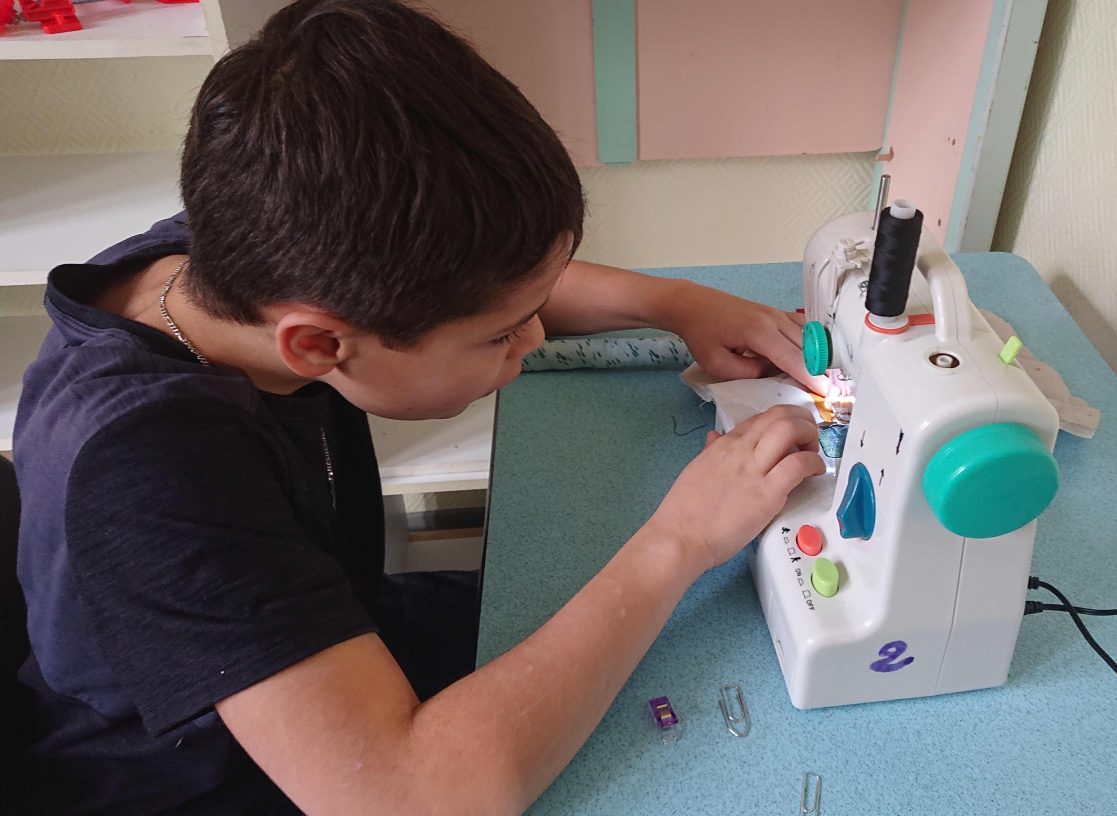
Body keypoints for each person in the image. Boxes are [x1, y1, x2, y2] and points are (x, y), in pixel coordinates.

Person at [11, 1, 825, 813]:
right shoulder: (152, 475)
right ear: (318, 345)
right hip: (211, 778)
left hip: (334, 625)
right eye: (503, 335)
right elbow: (411, 798)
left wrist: (680, 304)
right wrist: (680, 539)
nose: (535, 336)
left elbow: (474, 288)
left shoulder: (240, 253)